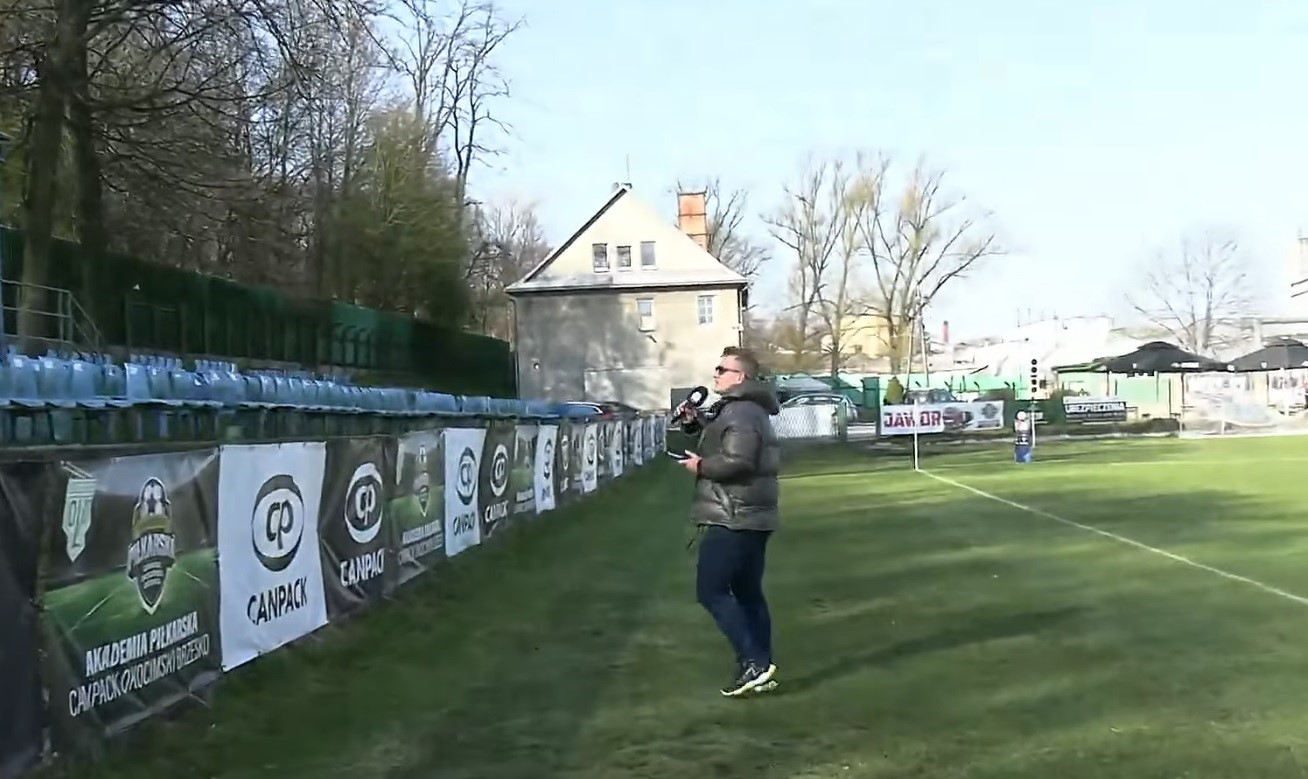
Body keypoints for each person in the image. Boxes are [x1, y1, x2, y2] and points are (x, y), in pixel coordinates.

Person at [674, 346, 781, 697]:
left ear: (741, 377)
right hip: (748, 513)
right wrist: (695, 423)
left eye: (723, 369)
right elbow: (724, 439)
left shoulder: (743, 412)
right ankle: (760, 667)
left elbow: (739, 461)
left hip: (734, 514)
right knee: (748, 592)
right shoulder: (741, 410)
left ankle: (754, 662)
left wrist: (701, 467)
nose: (716, 374)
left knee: (711, 590)